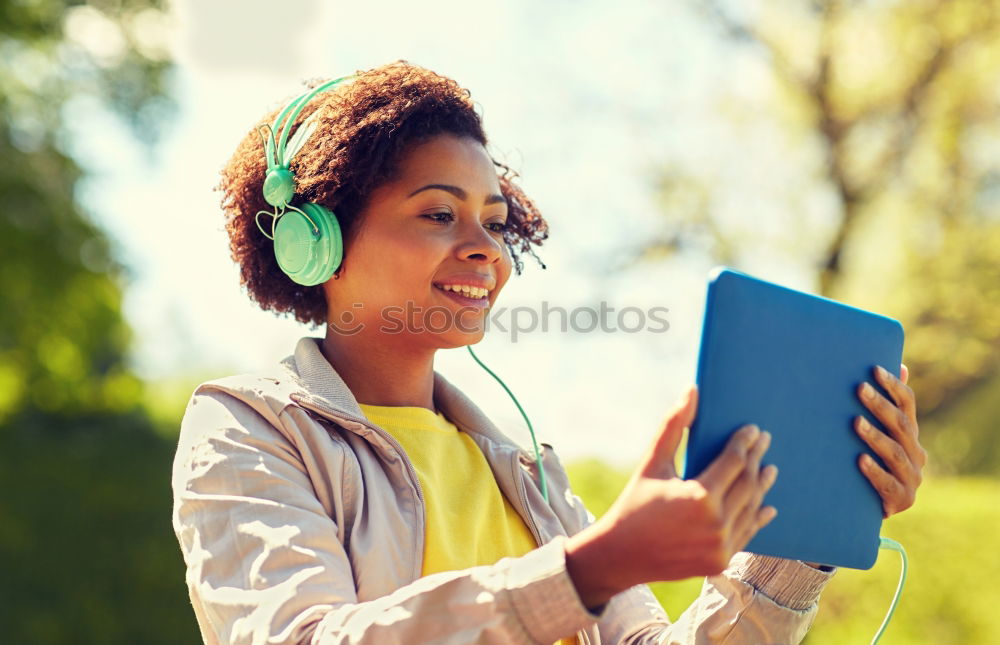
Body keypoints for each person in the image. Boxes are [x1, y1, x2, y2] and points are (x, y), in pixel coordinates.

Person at [170, 60, 927, 645]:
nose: (485, 252)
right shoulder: (248, 428)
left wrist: (811, 525)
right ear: (317, 242)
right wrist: (591, 565)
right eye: (439, 213)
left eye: (495, 223)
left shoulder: (528, 475)